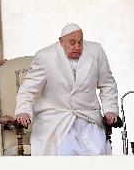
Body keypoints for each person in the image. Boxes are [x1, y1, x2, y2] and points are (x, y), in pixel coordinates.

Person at [15, 23, 119, 156]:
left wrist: (110, 110)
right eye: (72, 43)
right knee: (65, 152)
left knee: (98, 151)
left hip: (88, 117)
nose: (77, 47)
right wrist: (23, 111)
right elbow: (28, 90)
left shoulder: (96, 51)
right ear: (61, 42)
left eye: (80, 43)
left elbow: (107, 83)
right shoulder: (45, 57)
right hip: (56, 119)